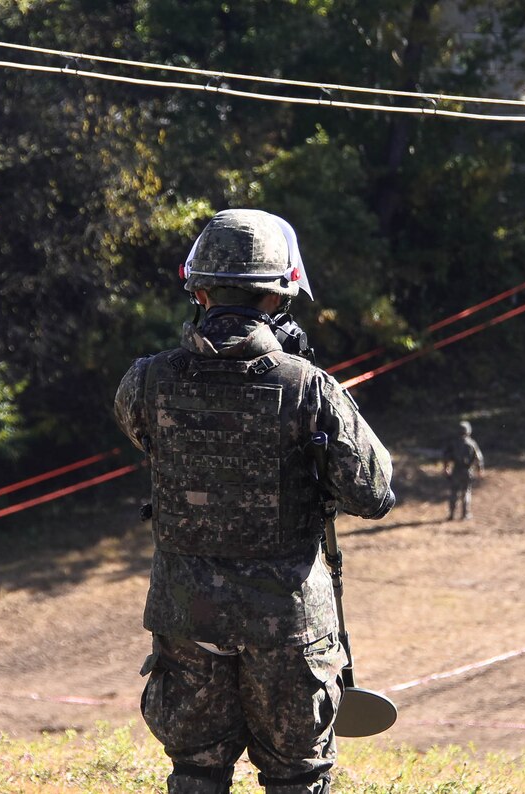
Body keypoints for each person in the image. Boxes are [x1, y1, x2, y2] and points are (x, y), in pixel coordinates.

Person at [114, 208, 395, 794]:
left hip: (186, 618)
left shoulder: (145, 381)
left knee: (195, 773)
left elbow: (152, 438)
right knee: (297, 777)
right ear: (281, 296)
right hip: (288, 628)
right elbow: (372, 492)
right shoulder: (308, 387)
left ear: (198, 289)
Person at [443, 421, 484, 520]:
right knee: (466, 492)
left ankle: (452, 514)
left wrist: (446, 467)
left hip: (456, 470)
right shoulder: (472, 443)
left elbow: (446, 456)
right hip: (467, 471)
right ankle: (465, 514)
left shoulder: (453, 443)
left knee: (454, 492)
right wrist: (480, 469)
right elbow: (478, 458)